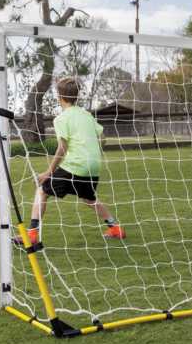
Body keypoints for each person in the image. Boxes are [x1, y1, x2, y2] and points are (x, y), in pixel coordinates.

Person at [17, 77, 125, 245]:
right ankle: (115, 228)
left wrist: (48, 172)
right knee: (89, 199)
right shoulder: (86, 115)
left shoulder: (61, 119)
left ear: (59, 97)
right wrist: (90, 150)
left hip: (76, 165)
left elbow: (62, 148)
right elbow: (103, 138)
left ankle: (32, 234)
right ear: (76, 96)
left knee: (42, 190)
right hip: (93, 165)